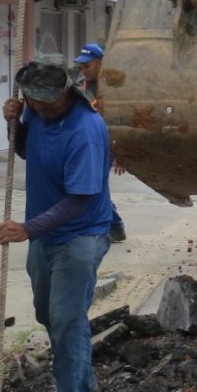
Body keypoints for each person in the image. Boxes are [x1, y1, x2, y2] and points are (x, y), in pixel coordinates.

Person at [0, 54, 115, 392]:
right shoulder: (36, 111)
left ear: (68, 91)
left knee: (66, 319)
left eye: (46, 101)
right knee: (48, 315)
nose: (39, 106)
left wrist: (28, 229)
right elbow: (29, 151)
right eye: (32, 100)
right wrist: (15, 123)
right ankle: (83, 380)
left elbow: (79, 200)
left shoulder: (87, 131)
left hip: (81, 236)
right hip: (45, 235)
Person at [75, 42, 126, 242]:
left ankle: (110, 227)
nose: (83, 70)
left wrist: (121, 155)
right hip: (87, 144)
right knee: (95, 187)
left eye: (87, 66)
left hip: (106, 146)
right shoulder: (81, 87)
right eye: (81, 66)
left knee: (96, 188)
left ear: (100, 63)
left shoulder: (114, 88)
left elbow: (120, 122)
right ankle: (115, 226)